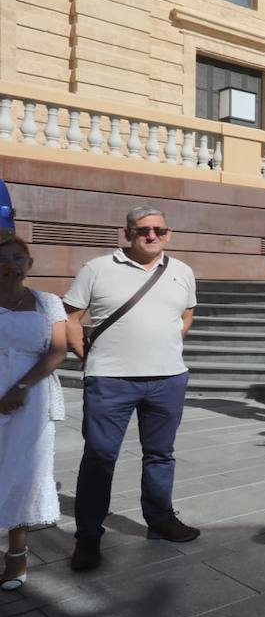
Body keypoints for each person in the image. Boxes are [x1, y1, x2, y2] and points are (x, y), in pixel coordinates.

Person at [63, 206, 199, 571]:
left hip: (168, 379)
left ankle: (160, 519)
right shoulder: (98, 268)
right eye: (143, 231)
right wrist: (87, 358)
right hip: (111, 380)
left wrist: (164, 343)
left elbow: (186, 316)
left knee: (160, 454)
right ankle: (88, 537)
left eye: (159, 230)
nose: (151, 236)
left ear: (168, 234)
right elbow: (71, 318)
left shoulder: (182, 272)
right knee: (100, 458)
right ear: (127, 234)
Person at [0, 235, 69, 591]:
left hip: (31, 398)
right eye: (2, 259)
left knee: (24, 470)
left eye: (17, 258)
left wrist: (20, 388)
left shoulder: (47, 302)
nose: (10, 264)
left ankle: (16, 555)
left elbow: (58, 352)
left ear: (29, 263)